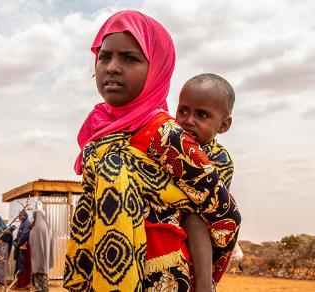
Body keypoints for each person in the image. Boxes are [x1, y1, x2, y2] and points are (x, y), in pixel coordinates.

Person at [63, 10, 241, 292]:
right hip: (101, 272)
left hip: (160, 277)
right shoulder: (101, 130)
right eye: (104, 56)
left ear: (157, 68)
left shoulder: (166, 135)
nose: (111, 67)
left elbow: (224, 214)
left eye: (130, 58)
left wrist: (205, 280)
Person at [176, 73, 236, 292]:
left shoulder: (220, 159)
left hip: (202, 225)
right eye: (183, 110)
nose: (188, 120)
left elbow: (202, 203)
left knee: (194, 220)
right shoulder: (170, 143)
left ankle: (204, 285)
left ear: (223, 125)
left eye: (201, 115)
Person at [29, 210, 54, 292]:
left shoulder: (38, 228)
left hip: (38, 256)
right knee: (43, 276)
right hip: (44, 256)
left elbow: (35, 242)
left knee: (39, 276)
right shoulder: (46, 228)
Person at [13, 211, 32, 289]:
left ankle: (24, 284)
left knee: (24, 265)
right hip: (20, 247)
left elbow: (25, 234)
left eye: (20, 215)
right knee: (20, 265)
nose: (19, 217)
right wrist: (16, 242)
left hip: (24, 248)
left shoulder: (27, 223)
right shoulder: (23, 223)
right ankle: (19, 284)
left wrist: (19, 241)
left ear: (24, 216)